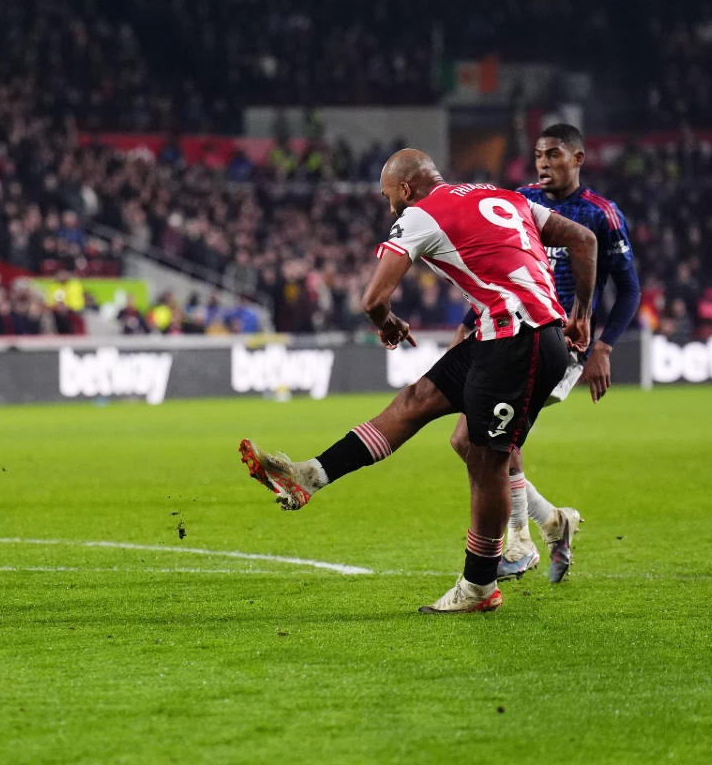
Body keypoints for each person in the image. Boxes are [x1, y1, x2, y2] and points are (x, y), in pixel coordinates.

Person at [239, 149, 597, 614]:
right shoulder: (504, 197)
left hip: (518, 339)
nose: (392, 209)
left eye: (391, 198)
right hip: (505, 333)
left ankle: (479, 588)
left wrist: (386, 322)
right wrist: (581, 316)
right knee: (417, 399)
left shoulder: (421, 214)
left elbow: (372, 300)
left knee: (485, 460)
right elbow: (583, 239)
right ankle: (310, 476)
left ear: (406, 189)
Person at [450, 124, 641, 583]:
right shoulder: (517, 202)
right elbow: (494, 272)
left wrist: (604, 347)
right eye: (538, 155)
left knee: (499, 443)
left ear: (578, 158)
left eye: (553, 154)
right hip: (505, 333)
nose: (543, 163)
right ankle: (553, 522)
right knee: (466, 441)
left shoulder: (600, 215)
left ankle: (519, 542)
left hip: (558, 343)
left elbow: (629, 288)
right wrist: (465, 323)